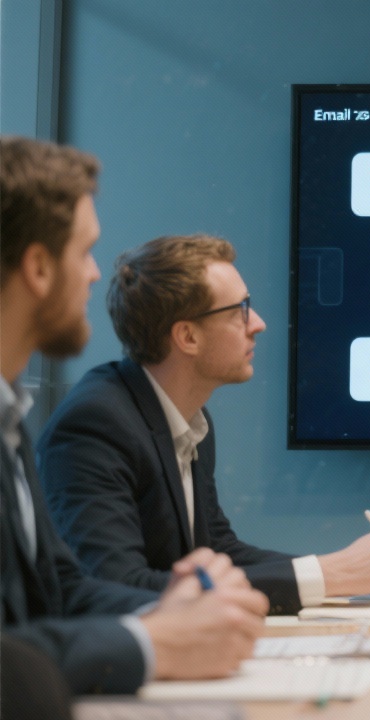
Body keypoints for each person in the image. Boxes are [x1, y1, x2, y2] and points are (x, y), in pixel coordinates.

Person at [1, 135, 266, 694]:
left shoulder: (10, 420)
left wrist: (174, 609)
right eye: (84, 251)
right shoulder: (92, 418)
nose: (97, 274)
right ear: (39, 268)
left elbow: (64, 589)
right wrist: (153, 642)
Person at [37, 234, 370, 615]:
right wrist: (329, 574)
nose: (258, 323)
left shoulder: (191, 419)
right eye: (240, 310)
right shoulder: (95, 425)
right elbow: (117, 586)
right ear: (187, 336)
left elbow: (219, 552)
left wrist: (337, 571)